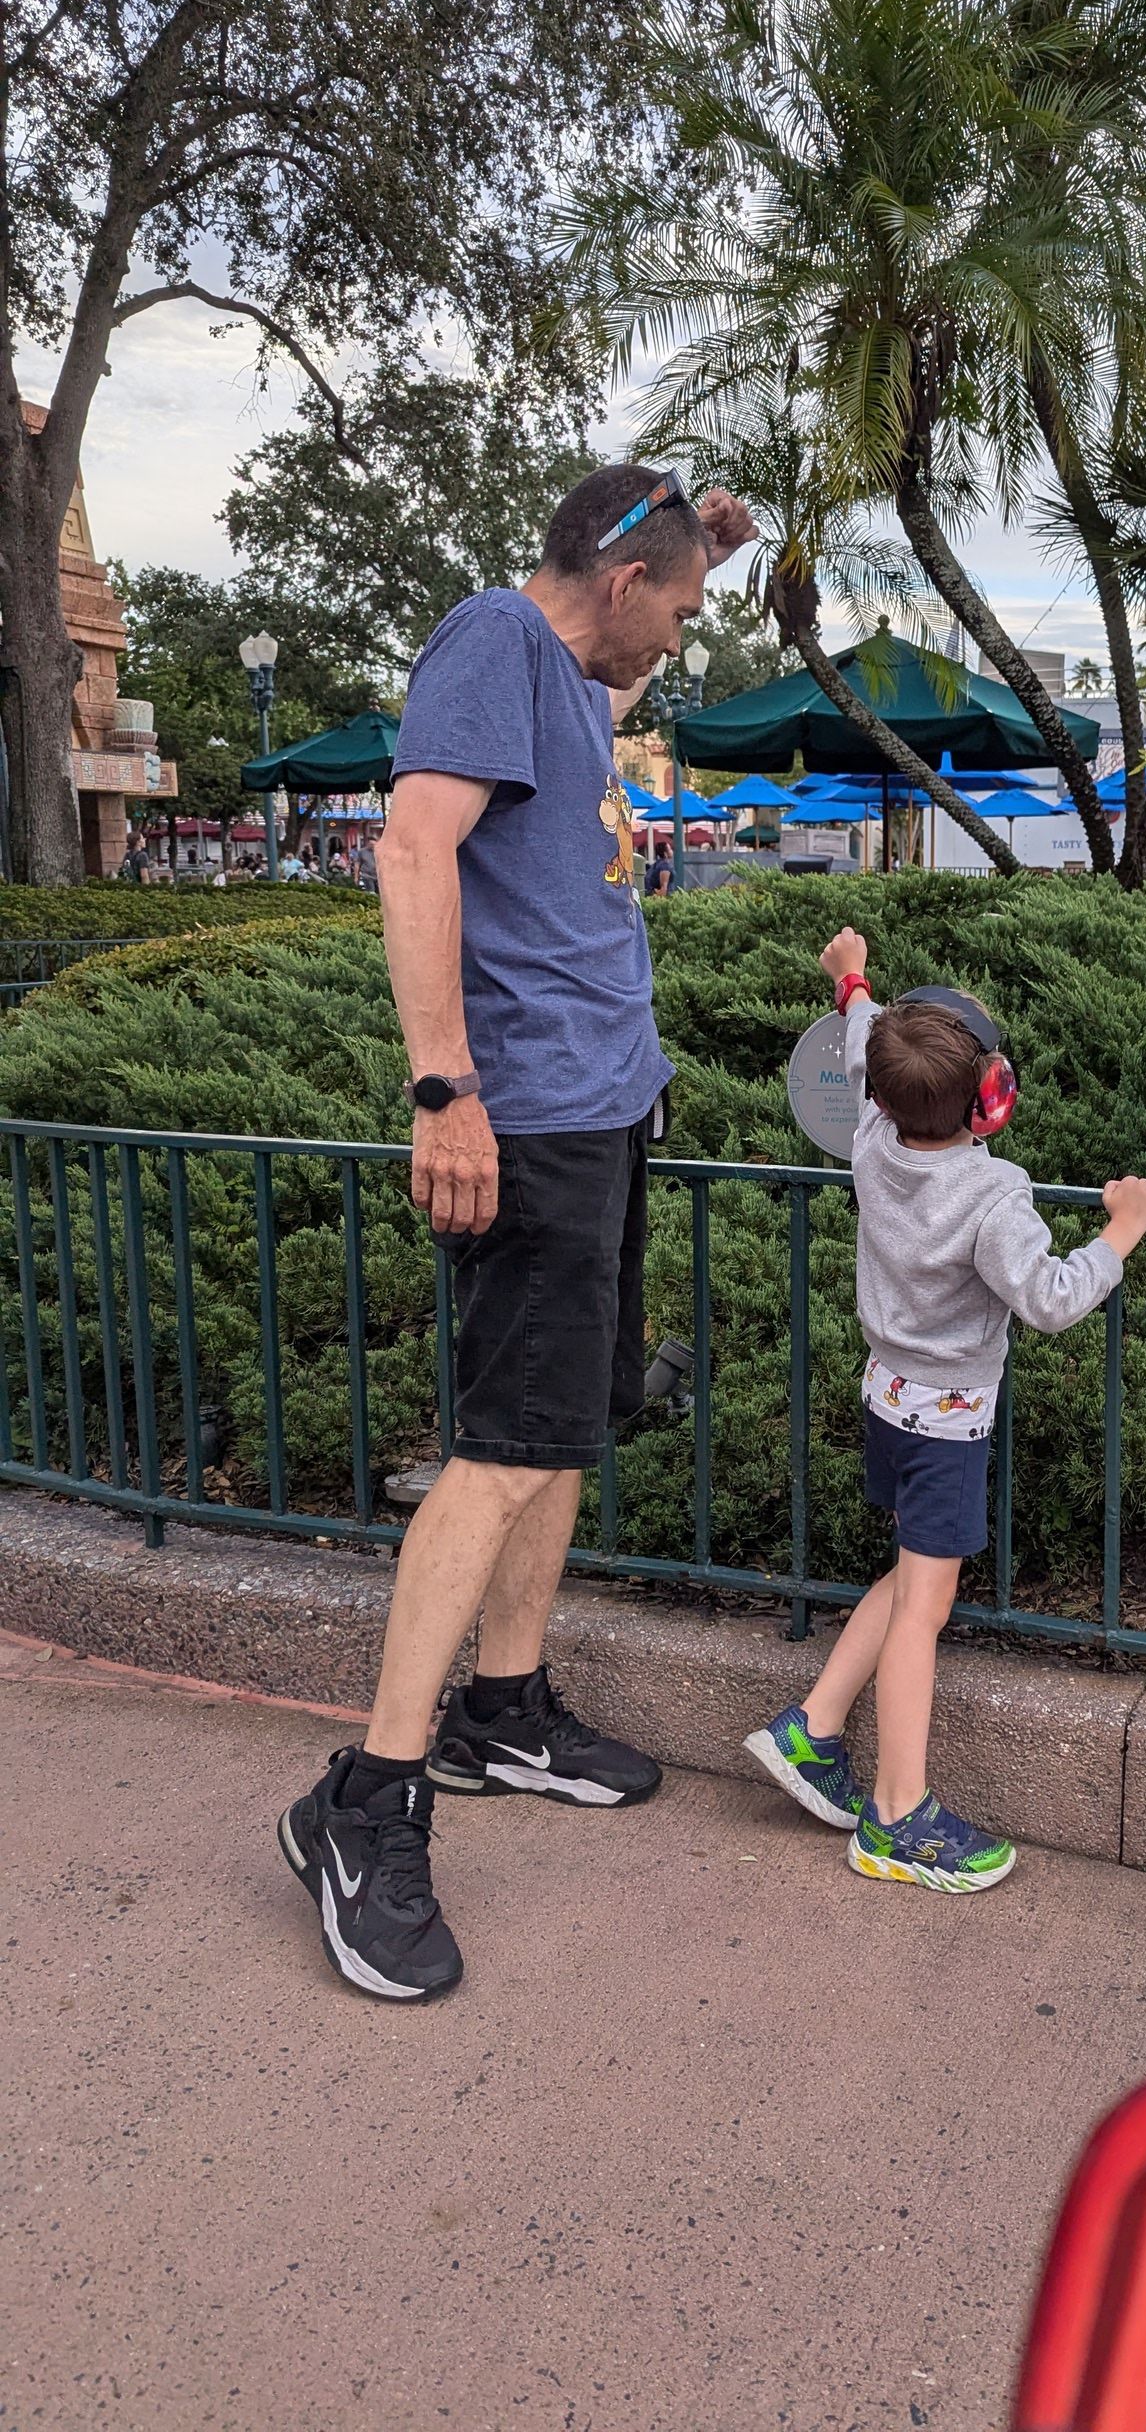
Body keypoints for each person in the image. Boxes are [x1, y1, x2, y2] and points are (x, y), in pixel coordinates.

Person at [277, 461, 755, 2001]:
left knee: (555, 1433)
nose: (678, 641)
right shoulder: (494, 635)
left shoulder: (570, 676)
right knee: (496, 1451)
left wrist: (711, 537)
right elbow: (411, 851)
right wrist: (445, 1090)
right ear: (620, 587)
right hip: (526, 1117)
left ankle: (506, 1705)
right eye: (677, 613)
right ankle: (367, 1803)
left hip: (600, 1111)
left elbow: (639, 593)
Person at [743, 928, 1146, 1893]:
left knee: (906, 1578)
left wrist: (851, 978)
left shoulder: (866, 1133)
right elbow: (1054, 1299)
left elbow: (863, 1038)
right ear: (994, 1100)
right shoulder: (993, 1195)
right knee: (924, 1609)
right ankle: (895, 1817)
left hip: (886, 1397)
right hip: (947, 1424)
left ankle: (811, 1731)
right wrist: (1122, 1229)